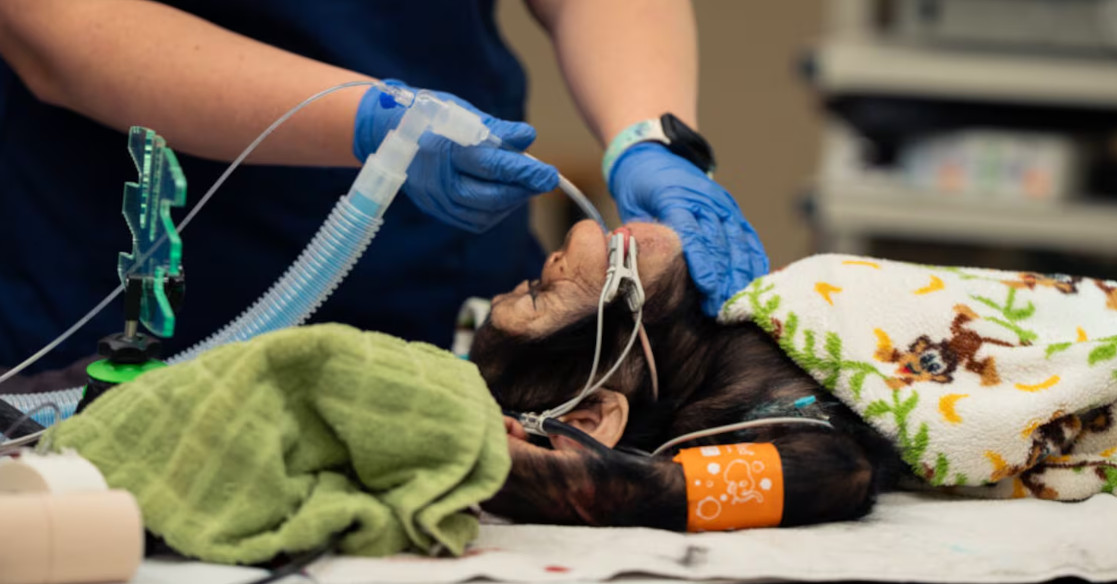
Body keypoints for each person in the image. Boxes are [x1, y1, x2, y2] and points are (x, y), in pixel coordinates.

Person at [0, 0, 767, 378]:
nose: (588, 248)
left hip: (444, 305)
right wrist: (374, 123)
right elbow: (63, 29)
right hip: (126, 307)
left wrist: (650, 135)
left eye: (557, 281)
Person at [468, 220, 1117, 530]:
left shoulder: (758, 322)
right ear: (598, 414)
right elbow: (833, 470)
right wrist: (619, 489)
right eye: (543, 291)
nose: (560, 255)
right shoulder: (731, 391)